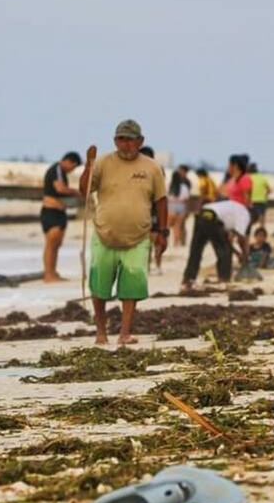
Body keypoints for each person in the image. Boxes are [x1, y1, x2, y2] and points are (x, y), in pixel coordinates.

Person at [78, 119, 168, 346]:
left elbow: (161, 201)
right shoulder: (102, 163)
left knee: (132, 287)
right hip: (104, 234)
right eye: (121, 139)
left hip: (139, 237)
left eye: (130, 139)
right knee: (99, 286)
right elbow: (85, 191)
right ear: (115, 141)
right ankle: (101, 333)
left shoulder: (152, 167)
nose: (125, 144)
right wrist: (88, 165)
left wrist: (163, 232)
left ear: (140, 141)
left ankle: (124, 333)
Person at [181, 198, 250, 291]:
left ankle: (188, 280)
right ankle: (224, 280)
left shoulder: (233, 212)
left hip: (202, 213)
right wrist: (244, 254)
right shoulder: (245, 214)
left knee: (196, 250)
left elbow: (228, 240)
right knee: (225, 251)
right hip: (212, 217)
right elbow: (240, 238)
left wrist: (238, 253)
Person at [41, 151, 83, 282]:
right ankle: (48, 274)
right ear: (69, 162)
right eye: (74, 167)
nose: (73, 170)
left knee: (56, 245)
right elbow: (60, 189)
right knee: (51, 244)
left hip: (59, 212)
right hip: (51, 212)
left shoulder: (62, 172)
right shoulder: (57, 169)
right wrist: (77, 192)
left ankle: (53, 272)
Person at [141, 146, 167, 274]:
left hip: (154, 208)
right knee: (144, 239)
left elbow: (161, 191)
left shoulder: (157, 169)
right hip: (141, 208)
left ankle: (157, 265)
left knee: (155, 238)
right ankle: (147, 266)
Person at [167, 165, 192, 247]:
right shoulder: (185, 185)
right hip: (182, 206)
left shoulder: (170, 186)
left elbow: (166, 197)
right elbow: (187, 198)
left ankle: (165, 241)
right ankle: (176, 243)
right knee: (177, 226)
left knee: (167, 226)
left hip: (172, 206)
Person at [248, 162, 271, 227]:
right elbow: (269, 190)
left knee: (251, 216)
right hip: (262, 199)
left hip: (252, 200)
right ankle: (262, 229)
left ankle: (249, 230)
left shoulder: (248, 178)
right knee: (262, 215)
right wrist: (265, 195)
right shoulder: (262, 177)